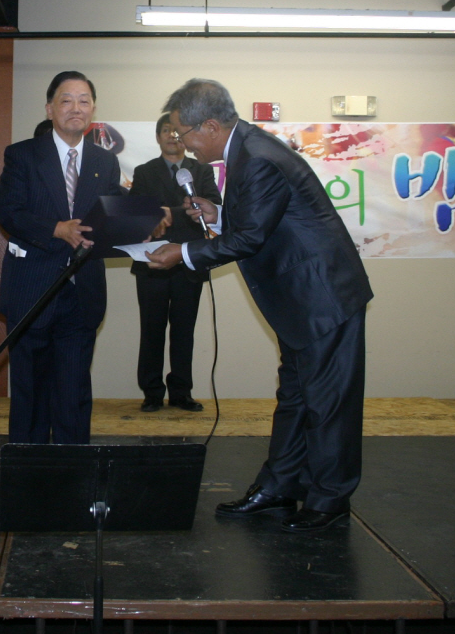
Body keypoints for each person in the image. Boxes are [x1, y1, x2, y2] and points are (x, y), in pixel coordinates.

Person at [146, 79, 372, 533]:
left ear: (210, 127)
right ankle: (280, 487)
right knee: (295, 397)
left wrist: (183, 253)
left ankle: (330, 501)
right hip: (301, 300)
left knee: (328, 403)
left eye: (184, 134)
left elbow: (250, 238)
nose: (184, 144)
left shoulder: (257, 158)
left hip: (323, 298)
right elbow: (262, 219)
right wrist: (219, 215)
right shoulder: (248, 148)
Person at [0, 71, 123, 444]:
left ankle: (72, 471)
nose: (76, 108)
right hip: (32, 289)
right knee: (30, 394)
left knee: (73, 393)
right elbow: (8, 212)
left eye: (84, 101)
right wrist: (56, 229)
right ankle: (28, 470)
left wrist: (147, 220)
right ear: (50, 108)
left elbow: (112, 213)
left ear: (93, 109)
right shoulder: (23, 155)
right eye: (66, 100)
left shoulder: (105, 161)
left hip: (82, 292)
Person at [128, 114, 221, 412]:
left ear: (185, 136)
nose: (172, 136)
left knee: (184, 330)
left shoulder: (201, 170)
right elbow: (137, 213)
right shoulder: (144, 171)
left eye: (176, 131)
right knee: (151, 329)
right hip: (151, 262)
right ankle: (152, 392)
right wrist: (170, 213)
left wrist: (168, 212)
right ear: (158, 137)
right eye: (166, 131)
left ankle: (181, 392)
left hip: (189, 261)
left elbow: (213, 208)